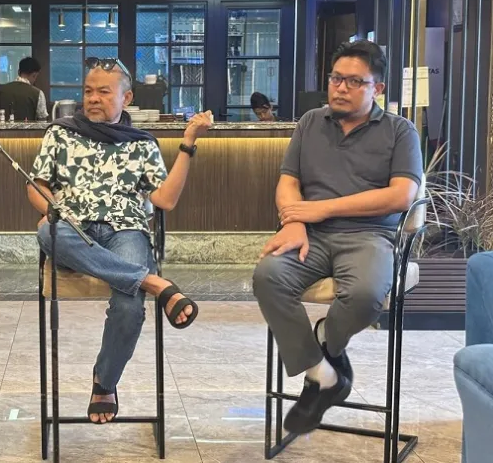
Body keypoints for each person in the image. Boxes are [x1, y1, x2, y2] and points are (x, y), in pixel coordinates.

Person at [27, 56, 211, 424]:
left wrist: (188, 144)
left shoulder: (142, 143)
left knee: (129, 307)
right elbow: (37, 185)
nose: (93, 98)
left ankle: (105, 382)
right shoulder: (60, 133)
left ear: (126, 99)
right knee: (47, 230)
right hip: (72, 229)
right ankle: (153, 283)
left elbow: (165, 200)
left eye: (103, 92)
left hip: (125, 229)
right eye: (88, 91)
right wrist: (50, 208)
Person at [252, 40, 423, 434]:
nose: (341, 88)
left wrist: (323, 208)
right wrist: (294, 221)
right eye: (336, 78)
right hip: (309, 235)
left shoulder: (400, 131)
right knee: (267, 277)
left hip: (369, 236)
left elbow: (401, 195)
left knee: (365, 295)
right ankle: (323, 375)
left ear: (378, 88)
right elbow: (288, 183)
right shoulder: (311, 122)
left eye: (354, 81)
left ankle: (326, 337)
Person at [0, 56, 49, 121]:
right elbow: (42, 120)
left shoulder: (1, 90)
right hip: (28, 128)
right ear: (34, 75)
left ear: (18, 72)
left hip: (2, 128)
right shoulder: (37, 93)